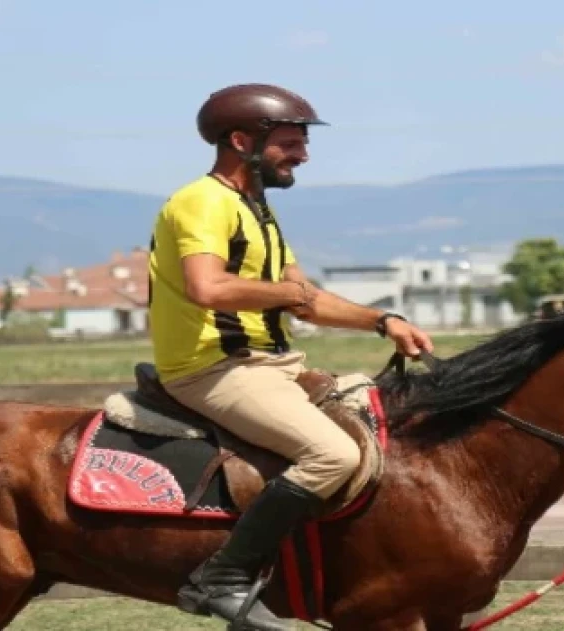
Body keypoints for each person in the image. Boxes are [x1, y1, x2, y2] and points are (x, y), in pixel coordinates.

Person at [147, 83, 434, 629]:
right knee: (333, 455)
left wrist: (383, 322)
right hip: (213, 370)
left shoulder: (256, 210)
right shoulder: (202, 202)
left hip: (272, 367)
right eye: (290, 143)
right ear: (240, 141)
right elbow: (208, 287)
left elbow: (307, 300)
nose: (303, 155)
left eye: (302, 143)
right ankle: (222, 578)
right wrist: (291, 293)